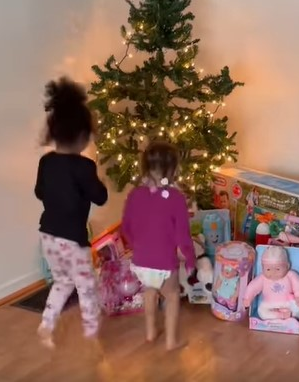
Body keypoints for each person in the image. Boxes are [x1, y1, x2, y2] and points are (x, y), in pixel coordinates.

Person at [34, 77, 108, 349]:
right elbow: (101, 197)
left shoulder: (46, 161)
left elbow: (39, 192)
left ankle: (47, 323)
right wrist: (92, 177)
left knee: (63, 281)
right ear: (82, 136)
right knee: (86, 285)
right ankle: (91, 335)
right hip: (72, 240)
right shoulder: (84, 166)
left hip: (48, 236)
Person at [121, 141, 195, 351]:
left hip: (141, 261)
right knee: (171, 296)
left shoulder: (134, 194)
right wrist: (189, 258)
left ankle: (150, 332)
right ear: (173, 169)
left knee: (150, 292)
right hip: (164, 262)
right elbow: (183, 234)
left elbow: (125, 227)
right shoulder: (176, 198)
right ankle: (171, 341)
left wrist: (137, 246)